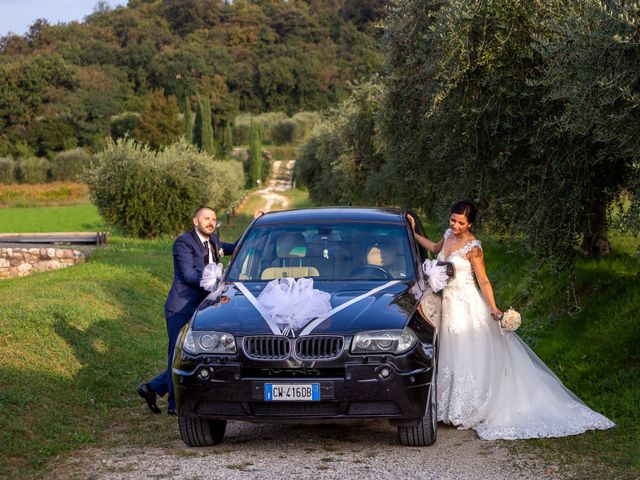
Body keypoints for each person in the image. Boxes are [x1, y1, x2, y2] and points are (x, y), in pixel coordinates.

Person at [408, 200, 614, 440]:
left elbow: (483, 281)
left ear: (470, 224)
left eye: (461, 223)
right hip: (448, 305)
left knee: (468, 352)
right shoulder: (447, 235)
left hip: (467, 305)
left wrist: (494, 308)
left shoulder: (473, 247)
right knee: (451, 352)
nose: (455, 225)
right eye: (452, 220)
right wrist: (413, 234)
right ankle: (446, 408)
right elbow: (434, 248)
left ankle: (471, 408)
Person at [137, 206, 262, 415]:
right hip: (182, 307)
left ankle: (152, 388)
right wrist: (215, 283)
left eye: (213, 219)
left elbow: (234, 247)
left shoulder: (213, 242)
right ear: (196, 221)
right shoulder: (184, 243)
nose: (210, 222)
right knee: (177, 354)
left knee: (195, 355)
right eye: (206, 219)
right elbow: (188, 274)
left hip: (204, 308)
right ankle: (175, 405)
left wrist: (253, 225)